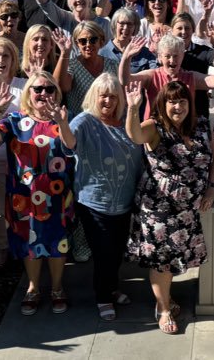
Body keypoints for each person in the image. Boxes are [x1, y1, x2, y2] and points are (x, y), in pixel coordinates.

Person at [124, 80, 214, 335]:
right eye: (171, 101)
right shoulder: (155, 127)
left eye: (182, 101)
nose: (177, 106)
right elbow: (134, 135)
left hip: (187, 210)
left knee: (177, 259)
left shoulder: (201, 125)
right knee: (162, 262)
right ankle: (163, 308)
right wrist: (133, 108)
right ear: (162, 104)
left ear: (189, 103)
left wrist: (211, 188)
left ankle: (164, 299)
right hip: (158, 209)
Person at [0, 71, 79, 316]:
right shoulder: (15, 120)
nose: (43, 94)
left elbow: (72, 146)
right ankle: (33, 287)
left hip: (57, 197)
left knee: (58, 243)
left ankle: (57, 288)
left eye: (49, 89)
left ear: (56, 94)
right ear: (29, 93)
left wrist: (63, 122)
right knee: (29, 244)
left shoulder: (63, 119)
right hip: (24, 198)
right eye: (38, 89)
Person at [70, 74, 146, 321]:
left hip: (123, 201)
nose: (108, 101)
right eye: (103, 95)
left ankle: (111, 288)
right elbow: (68, 142)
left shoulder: (125, 120)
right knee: (103, 252)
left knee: (116, 251)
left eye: (114, 96)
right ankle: (103, 297)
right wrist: (61, 123)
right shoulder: (84, 121)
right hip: (94, 202)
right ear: (95, 96)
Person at [63, 21, 120, 116]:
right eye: (83, 41)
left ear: (101, 41)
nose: (88, 44)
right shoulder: (71, 64)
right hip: (80, 123)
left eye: (93, 40)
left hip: (107, 123)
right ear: (77, 44)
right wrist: (64, 53)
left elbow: (120, 96)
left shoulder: (113, 64)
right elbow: (64, 87)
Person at [103, 9, 158, 74]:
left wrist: (158, 52)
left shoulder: (144, 52)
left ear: (135, 28)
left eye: (129, 24)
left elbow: (156, 73)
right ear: (114, 25)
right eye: (122, 23)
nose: (125, 27)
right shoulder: (103, 53)